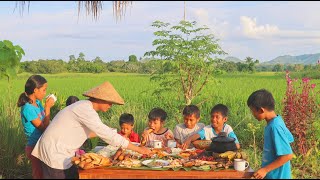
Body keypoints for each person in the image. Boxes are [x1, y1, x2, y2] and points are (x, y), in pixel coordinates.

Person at [31, 82, 151, 179]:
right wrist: (139, 149)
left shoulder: (85, 107)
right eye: (110, 102)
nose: (110, 106)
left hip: (61, 152)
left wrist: (115, 133)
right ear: (100, 99)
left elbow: (92, 132)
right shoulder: (84, 109)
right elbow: (104, 133)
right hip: (55, 153)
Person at [247, 89, 294, 179]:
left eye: (252, 111)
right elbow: (289, 139)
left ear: (261, 110)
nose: (253, 114)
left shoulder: (275, 127)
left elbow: (287, 155)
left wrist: (265, 170)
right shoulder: (277, 121)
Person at [17, 75, 55, 179]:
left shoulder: (37, 103)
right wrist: (47, 108)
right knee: (39, 175)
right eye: (44, 90)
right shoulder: (28, 108)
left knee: (46, 174)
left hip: (42, 144)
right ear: (35, 90)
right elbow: (43, 128)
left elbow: (45, 121)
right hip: (35, 147)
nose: (45, 93)